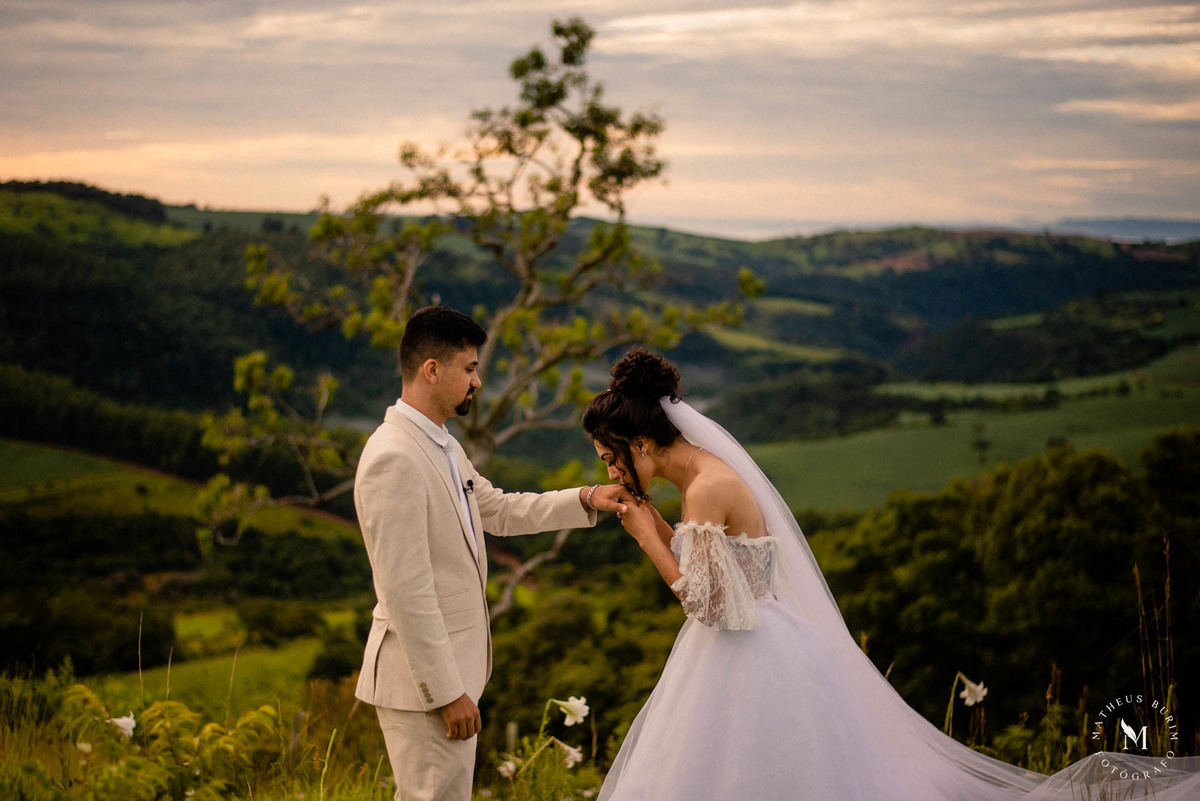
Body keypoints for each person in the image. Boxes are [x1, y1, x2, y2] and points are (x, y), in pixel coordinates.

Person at [583, 348, 1200, 801]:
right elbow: (714, 572)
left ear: (641, 443)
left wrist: (645, 538)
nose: (612, 472)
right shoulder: (699, 478)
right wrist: (656, 523)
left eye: (612, 458)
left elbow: (712, 605)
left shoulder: (707, 487)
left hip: (748, 652)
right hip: (756, 641)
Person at [354, 306, 628, 801]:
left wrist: (586, 497)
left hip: (450, 678)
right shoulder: (393, 457)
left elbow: (498, 510)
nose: (477, 382)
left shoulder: (442, 445)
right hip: (424, 689)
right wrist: (447, 692)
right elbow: (406, 591)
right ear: (431, 370)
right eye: (470, 368)